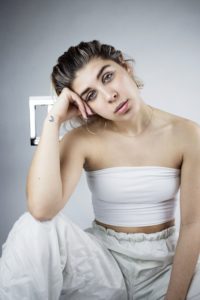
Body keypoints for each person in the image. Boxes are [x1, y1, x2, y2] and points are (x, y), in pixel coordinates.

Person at [0, 40, 200, 300]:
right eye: (91, 95)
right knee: (33, 227)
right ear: (84, 106)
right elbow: (42, 209)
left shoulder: (187, 133)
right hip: (103, 267)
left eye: (108, 77)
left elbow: (193, 223)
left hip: (164, 267)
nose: (109, 95)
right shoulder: (82, 139)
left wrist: (175, 297)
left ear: (125, 67)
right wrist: (53, 119)